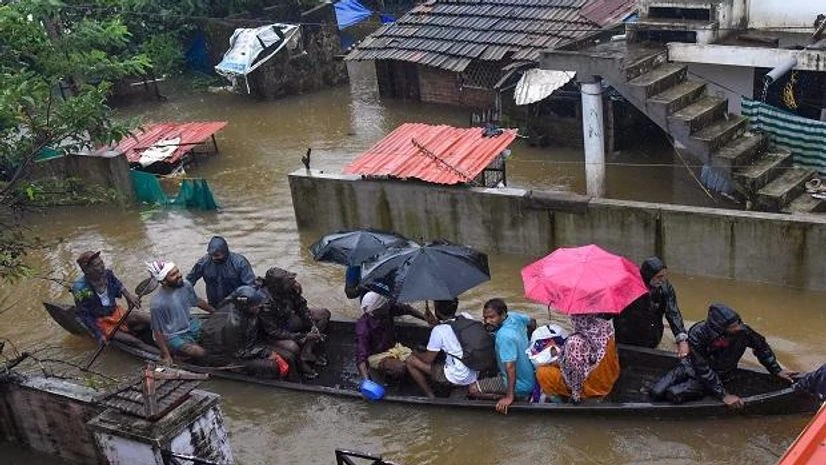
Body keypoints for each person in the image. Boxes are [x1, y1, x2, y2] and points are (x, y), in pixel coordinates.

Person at [650, 303, 795, 408]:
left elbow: (762, 348)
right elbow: (702, 368)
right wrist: (724, 395)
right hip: (691, 367)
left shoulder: (743, 332)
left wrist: (776, 370)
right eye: (733, 326)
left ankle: (699, 392)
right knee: (655, 392)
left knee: (673, 394)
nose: (738, 327)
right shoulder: (697, 334)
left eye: (738, 323)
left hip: (718, 374)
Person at [201, 285, 291, 379]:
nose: (259, 307)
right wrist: (267, 353)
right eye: (256, 306)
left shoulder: (245, 310)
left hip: (245, 345)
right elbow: (238, 352)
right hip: (226, 356)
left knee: (288, 356)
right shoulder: (232, 323)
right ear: (245, 306)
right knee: (271, 366)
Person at [258, 267, 331, 378]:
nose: (292, 283)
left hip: (287, 320)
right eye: (288, 282)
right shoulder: (265, 302)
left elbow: (301, 307)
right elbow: (273, 332)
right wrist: (304, 336)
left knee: (323, 314)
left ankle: (307, 351)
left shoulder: (290, 288)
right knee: (292, 347)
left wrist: (312, 325)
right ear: (277, 286)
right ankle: (301, 365)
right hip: (272, 333)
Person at [72, 251, 152, 351]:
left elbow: (118, 284)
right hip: (102, 322)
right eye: (97, 265)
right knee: (135, 342)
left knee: (146, 317)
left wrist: (128, 296)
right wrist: (99, 335)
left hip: (116, 313)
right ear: (86, 270)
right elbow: (84, 315)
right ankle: (163, 356)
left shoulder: (108, 274)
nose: (102, 267)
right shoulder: (80, 288)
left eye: (102, 263)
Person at [468, 298, 536, 414]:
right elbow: (532, 322)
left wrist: (509, 396)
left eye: (492, 317)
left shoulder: (503, 336)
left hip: (521, 385)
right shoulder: (514, 317)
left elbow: (510, 367)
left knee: (472, 389)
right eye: (485, 318)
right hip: (530, 375)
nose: (488, 321)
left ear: (503, 314)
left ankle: (509, 397)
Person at [405, 299, 484, 398]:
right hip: (474, 372)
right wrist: (435, 323)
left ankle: (431, 396)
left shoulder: (439, 330)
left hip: (458, 376)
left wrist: (414, 352)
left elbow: (428, 359)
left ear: (437, 311)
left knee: (410, 360)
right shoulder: (466, 317)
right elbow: (452, 330)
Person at [535, 314, 620, 404]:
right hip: (609, 378)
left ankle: (558, 403)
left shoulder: (575, 341)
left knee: (542, 373)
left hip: (592, 388)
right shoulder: (605, 327)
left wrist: (576, 396)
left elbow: (574, 380)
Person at [613, 257, 689, 357]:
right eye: (659, 277)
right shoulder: (628, 287)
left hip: (653, 336)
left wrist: (681, 338)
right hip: (628, 338)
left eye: (664, 276)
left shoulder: (665, 289)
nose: (662, 280)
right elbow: (612, 308)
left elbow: (672, 312)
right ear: (649, 275)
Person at [355, 291, 437, 383]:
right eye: (384, 305)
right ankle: (388, 378)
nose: (388, 305)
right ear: (377, 310)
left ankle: (439, 376)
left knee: (421, 358)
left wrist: (426, 318)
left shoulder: (387, 309)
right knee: (399, 367)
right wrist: (366, 381)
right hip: (376, 356)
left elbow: (407, 309)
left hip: (394, 347)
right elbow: (361, 357)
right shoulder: (363, 326)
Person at [147, 260, 215, 365]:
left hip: (189, 324)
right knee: (200, 353)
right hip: (172, 335)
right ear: (164, 281)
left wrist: (215, 312)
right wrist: (166, 355)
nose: (179, 275)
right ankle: (179, 354)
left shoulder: (185, 285)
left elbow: (197, 301)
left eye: (177, 271)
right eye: (173, 275)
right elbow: (158, 332)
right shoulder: (157, 304)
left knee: (215, 334)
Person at [186, 236, 255, 307]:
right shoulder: (203, 263)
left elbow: (251, 286)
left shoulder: (240, 263)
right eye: (211, 255)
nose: (213, 258)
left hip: (235, 305)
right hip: (213, 305)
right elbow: (189, 281)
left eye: (217, 255)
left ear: (225, 252)